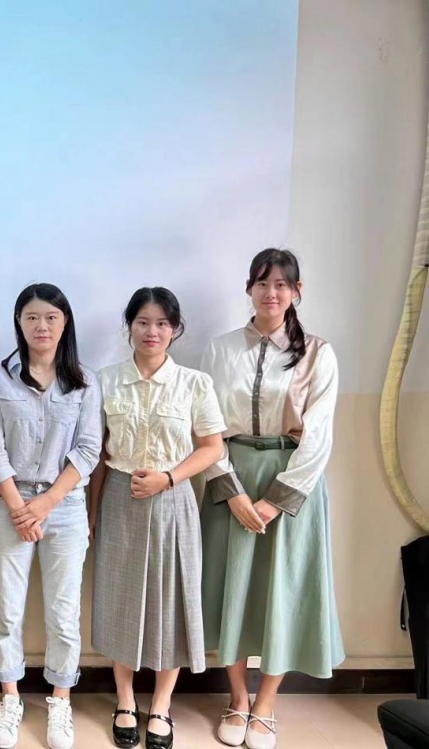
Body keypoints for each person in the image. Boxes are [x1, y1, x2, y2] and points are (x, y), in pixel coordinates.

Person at [200, 249, 343, 749]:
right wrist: (233, 493)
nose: (271, 292)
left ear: (297, 292)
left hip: (293, 480)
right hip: (231, 474)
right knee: (231, 586)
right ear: (249, 288)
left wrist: (275, 501)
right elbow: (207, 426)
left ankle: (265, 704)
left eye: (282, 284)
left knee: (284, 587)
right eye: (262, 283)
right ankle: (238, 697)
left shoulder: (318, 353)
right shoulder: (219, 349)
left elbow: (319, 435)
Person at [90, 287, 225, 749]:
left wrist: (168, 478)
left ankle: (162, 705)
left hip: (173, 499)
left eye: (163, 323)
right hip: (120, 496)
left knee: (172, 602)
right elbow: (97, 454)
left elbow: (212, 446)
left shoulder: (194, 383)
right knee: (119, 598)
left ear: (175, 329)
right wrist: (91, 513)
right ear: (129, 326)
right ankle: (125, 699)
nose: (152, 331)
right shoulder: (105, 381)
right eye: (143, 322)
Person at [0, 283, 102, 749]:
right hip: (9, 505)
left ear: (65, 322)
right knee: (7, 610)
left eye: (51, 317)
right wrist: (20, 509)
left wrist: (46, 504)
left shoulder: (85, 381)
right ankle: (10, 697)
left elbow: (89, 449)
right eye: (31, 317)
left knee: (63, 613)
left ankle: (60, 700)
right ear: (19, 322)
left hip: (64, 507)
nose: (41, 326)